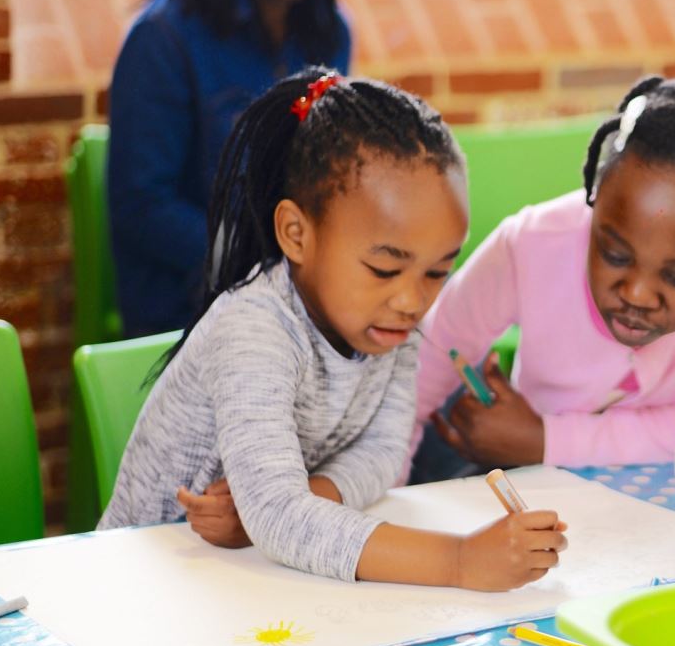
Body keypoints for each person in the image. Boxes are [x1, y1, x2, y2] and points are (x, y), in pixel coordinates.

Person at [99, 70, 567, 592]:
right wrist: (459, 560)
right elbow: (278, 517)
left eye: (437, 271)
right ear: (296, 234)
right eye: (385, 269)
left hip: (251, 583)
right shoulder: (255, 328)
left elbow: (384, 453)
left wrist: (289, 505)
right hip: (146, 586)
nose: (413, 301)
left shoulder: (387, 322)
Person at [409, 76, 675, 478]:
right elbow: (417, 380)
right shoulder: (531, 243)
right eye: (613, 254)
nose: (637, 294)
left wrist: (546, 440)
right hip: (552, 496)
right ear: (594, 196)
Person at [108, 0, 352, 337]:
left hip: (293, 297)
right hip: (189, 314)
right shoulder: (162, 38)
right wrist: (263, 258)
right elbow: (142, 207)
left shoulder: (331, 32)